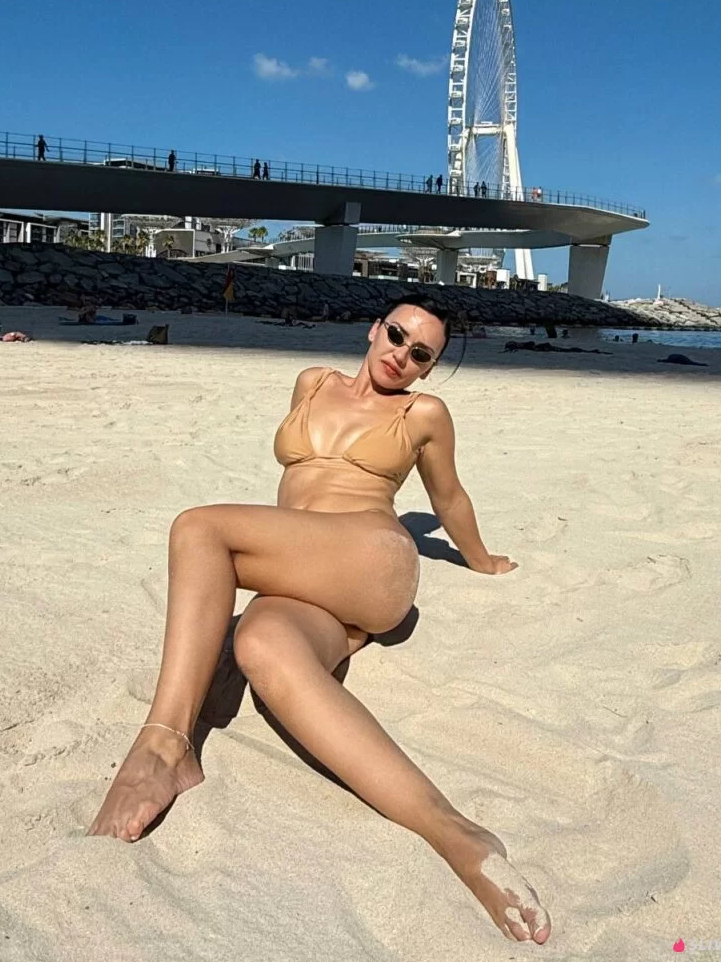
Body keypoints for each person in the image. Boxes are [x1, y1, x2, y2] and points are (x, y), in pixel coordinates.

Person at [88, 294, 551, 945]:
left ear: (427, 368)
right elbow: (296, 494)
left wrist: (482, 560)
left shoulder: (422, 413)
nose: (403, 355)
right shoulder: (311, 383)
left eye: (421, 354)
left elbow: (448, 496)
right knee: (260, 644)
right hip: (309, 572)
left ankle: (165, 745)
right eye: (397, 335)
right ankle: (455, 833)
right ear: (374, 329)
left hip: (372, 557)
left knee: (199, 529)